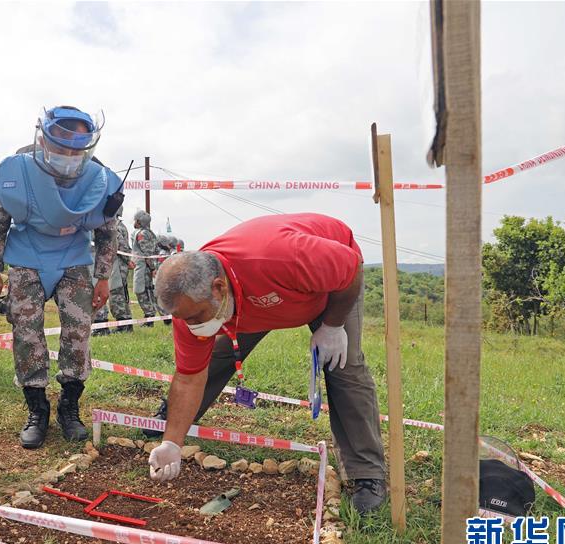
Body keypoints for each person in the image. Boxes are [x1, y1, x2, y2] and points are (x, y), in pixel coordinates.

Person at [146, 213, 388, 513]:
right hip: (255, 301)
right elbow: (188, 377)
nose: (191, 325)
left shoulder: (282, 257)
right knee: (220, 353)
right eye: (184, 319)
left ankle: (367, 474)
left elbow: (350, 268)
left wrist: (334, 325)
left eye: (196, 318)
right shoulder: (190, 306)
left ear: (218, 288)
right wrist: (173, 442)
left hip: (325, 291)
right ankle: (174, 423)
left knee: (344, 366)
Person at [0, 106, 122, 449]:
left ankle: (70, 407)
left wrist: (103, 277)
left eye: (77, 149)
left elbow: (107, 233)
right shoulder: (17, 174)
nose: (69, 156)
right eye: (62, 146)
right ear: (43, 139)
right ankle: (37, 409)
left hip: (72, 260)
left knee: (79, 331)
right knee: (26, 333)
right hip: (27, 258)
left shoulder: (99, 180)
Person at [107, 206, 135, 333]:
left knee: (116, 294)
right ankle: (126, 323)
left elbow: (121, 246)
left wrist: (128, 260)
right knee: (120, 294)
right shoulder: (119, 225)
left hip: (118, 264)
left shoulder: (115, 225)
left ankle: (123, 325)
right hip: (118, 263)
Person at [131, 210, 159, 326]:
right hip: (145, 267)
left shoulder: (142, 234)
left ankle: (149, 316)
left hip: (143, 267)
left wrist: (152, 268)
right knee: (147, 291)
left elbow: (147, 253)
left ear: (140, 222)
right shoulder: (150, 233)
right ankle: (150, 315)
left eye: (136, 220)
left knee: (140, 291)